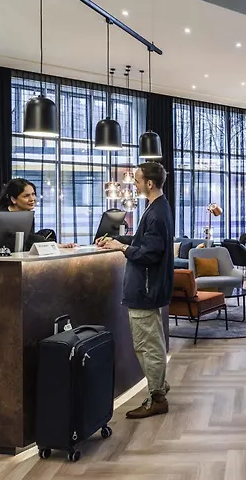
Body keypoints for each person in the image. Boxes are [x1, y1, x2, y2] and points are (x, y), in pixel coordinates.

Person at [97, 162, 173, 419]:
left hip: (145, 289)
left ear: (149, 183)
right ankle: (158, 385)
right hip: (147, 288)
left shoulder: (156, 212)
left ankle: (156, 397)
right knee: (152, 342)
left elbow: (149, 254)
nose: (135, 185)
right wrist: (119, 241)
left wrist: (122, 248)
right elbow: (144, 241)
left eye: (138, 181)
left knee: (147, 345)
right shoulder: (157, 207)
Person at [0, 178, 75, 249]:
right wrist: (57, 245)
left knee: (49, 232)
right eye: (26, 196)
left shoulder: (28, 215)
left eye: (33, 194)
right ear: (13, 199)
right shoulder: (3, 217)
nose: (32, 199)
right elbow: (28, 239)